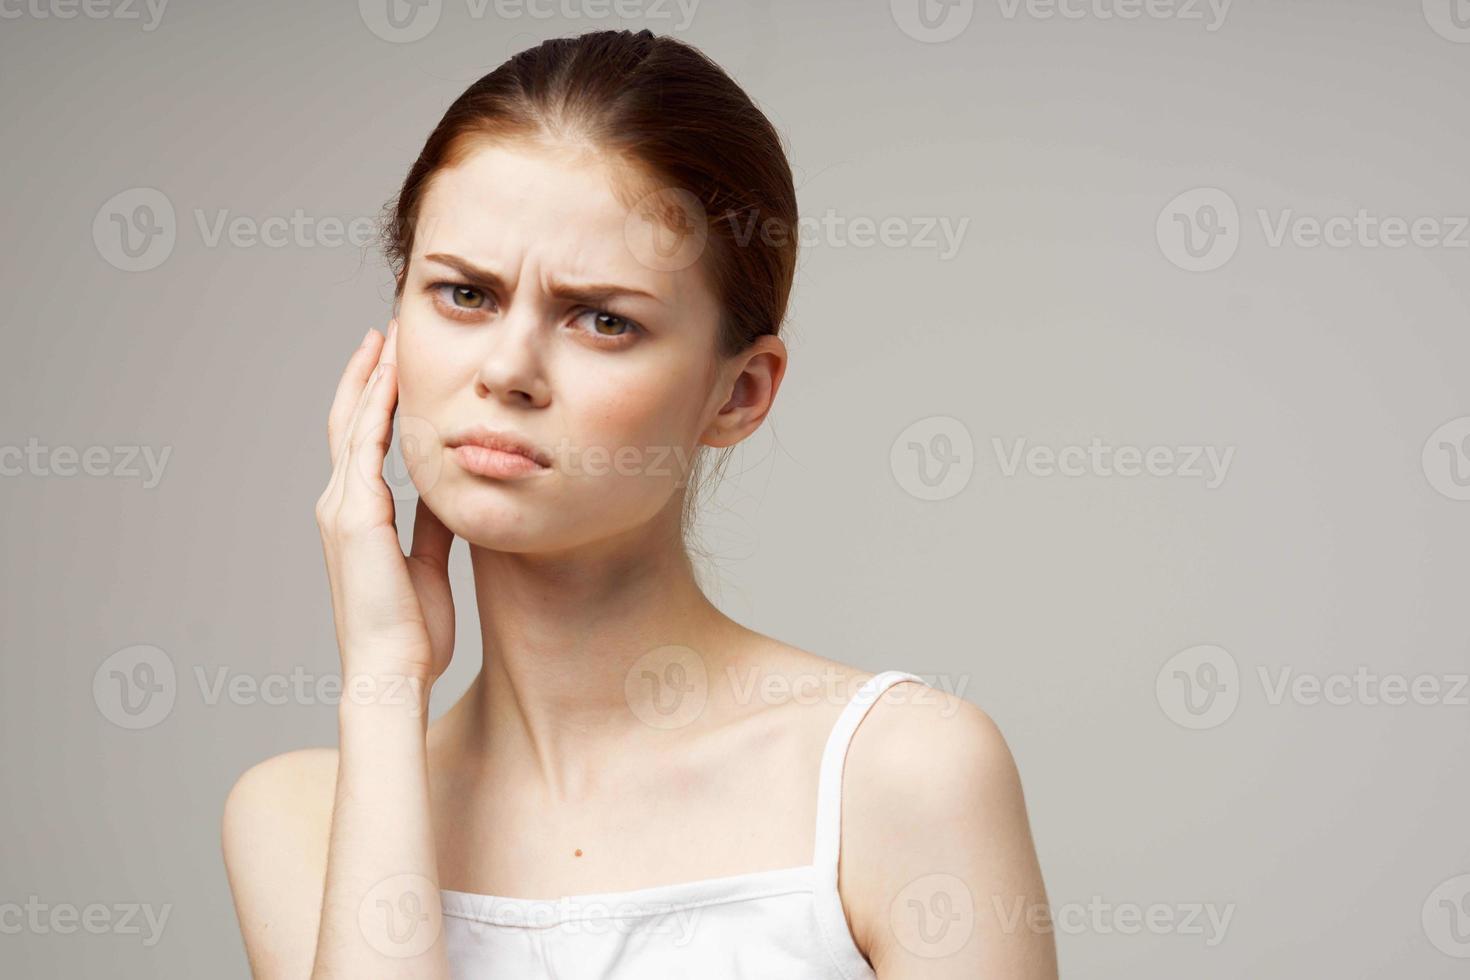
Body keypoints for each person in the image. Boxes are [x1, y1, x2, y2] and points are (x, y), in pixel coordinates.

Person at [222, 29, 1056, 979]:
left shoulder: (901, 773)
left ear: (737, 394)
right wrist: (383, 682)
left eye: (604, 319)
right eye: (463, 294)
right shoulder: (301, 819)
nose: (507, 370)